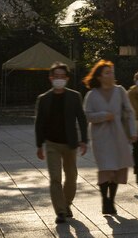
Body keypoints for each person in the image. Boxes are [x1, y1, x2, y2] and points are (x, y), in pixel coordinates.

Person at [35, 62, 88, 224]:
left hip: (70, 144)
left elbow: (82, 119)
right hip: (52, 144)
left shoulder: (74, 96)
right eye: (55, 76)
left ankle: (66, 204)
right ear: (51, 78)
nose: (59, 79)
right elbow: (40, 123)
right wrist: (39, 145)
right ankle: (60, 211)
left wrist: (84, 140)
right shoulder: (44, 99)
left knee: (71, 177)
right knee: (55, 178)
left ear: (66, 78)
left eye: (62, 76)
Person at [83, 60, 137, 215]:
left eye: (112, 72)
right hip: (100, 138)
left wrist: (133, 131)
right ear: (99, 76)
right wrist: (103, 116)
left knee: (118, 169)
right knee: (106, 169)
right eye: (107, 72)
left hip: (118, 136)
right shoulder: (92, 95)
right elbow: (87, 115)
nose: (111, 75)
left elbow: (129, 112)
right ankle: (104, 200)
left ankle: (111, 200)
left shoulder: (120, 91)